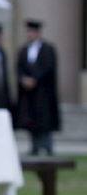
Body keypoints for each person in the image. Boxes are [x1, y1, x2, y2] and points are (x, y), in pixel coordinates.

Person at [16, 19, 60, 155]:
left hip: (43, 93)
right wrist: (23, 79)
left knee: (45, 123)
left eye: (32, 32)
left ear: (38, 33)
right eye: (28, 32)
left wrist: (35, 79)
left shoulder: (48, 49)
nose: (30, 34)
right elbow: (19, 68)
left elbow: (49, 68)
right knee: (32, 123)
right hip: (29, 95)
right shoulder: (24, 50)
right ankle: (34, 146)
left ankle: (47, 146)